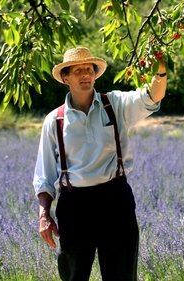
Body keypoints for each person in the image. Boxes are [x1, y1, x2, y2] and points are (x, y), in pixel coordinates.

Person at [33, 46, 167, 281]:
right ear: (66, 78)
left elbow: (152, 96)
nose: (85, 74)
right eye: (78, 71)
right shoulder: (54, 120)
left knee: (122, 276)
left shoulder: (115, 104)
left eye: (89, 69)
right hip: (74, 206)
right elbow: (44, 174)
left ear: (95, 74)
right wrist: (44, 215)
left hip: (115, 201)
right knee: (74, 276)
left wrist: (161, 71)